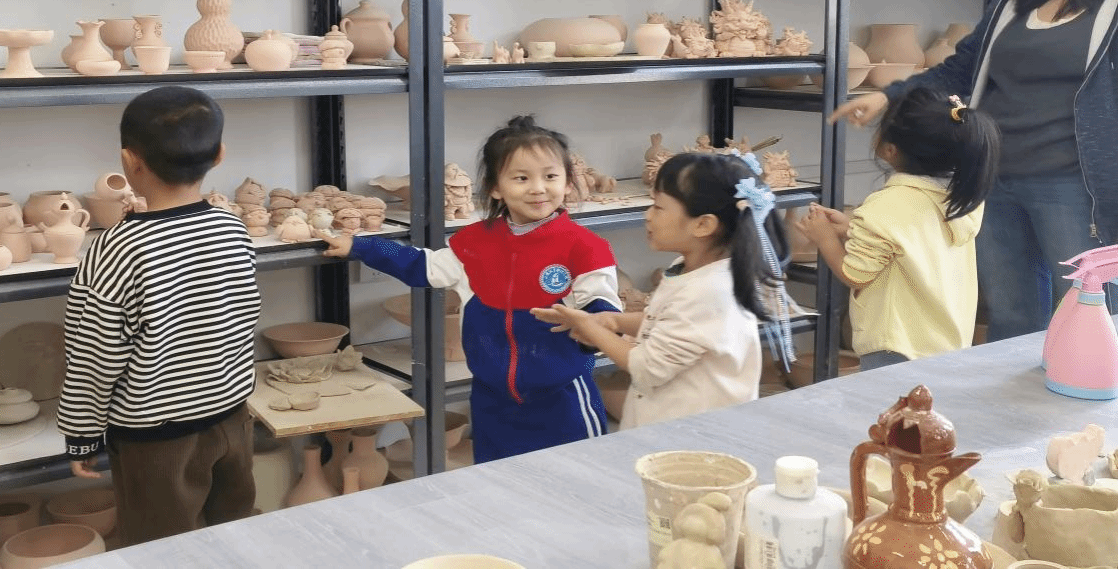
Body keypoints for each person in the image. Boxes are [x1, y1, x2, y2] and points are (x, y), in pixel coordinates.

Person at [831, 0, 1118, 341]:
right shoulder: (1012, 3)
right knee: (1010, 315)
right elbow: (959, 71)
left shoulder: (1112, 9)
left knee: (1090, 314)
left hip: (1075, 190)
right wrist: (889, 95)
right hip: (992, 180)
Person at [317, 115, 622, 462]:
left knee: (573, 480)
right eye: (522, 178)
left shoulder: (585, 247)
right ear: (495, 187)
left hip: (563, 399)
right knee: (496, 482)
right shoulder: (474, 243)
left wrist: (593, 328)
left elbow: (603, 305)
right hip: (491, 401)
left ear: (568, 183)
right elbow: (422, 266)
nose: (538, 188)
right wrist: (361, 246)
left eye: (550, 176)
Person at [57, 86, 262, 546]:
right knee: (234, 540)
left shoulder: (118, 248)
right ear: (220, 155)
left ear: (129, 161)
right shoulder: (233, 228)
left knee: (162, 551)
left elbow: (94, 355)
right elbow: (240, 317)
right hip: (232, 419)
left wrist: (81, 434)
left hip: (157, 441)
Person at [532, 152, 795, 428]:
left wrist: (591, 328)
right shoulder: (691, 269)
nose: (648, 215)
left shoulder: (709, 291)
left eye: (658, 207)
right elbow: (668, 320)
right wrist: (613, 321)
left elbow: (646, 369)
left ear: (703, 224)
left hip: (694, 435)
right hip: (671, 425)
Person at [805, 88, 1001, 369]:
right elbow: (913, 240)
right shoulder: (962, 197)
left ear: (890, 150)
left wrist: (824, 238)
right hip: (946, 340)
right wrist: (853, 228)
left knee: (892, 400)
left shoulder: (886, 206)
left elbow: (855, 274)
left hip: (896, 344)